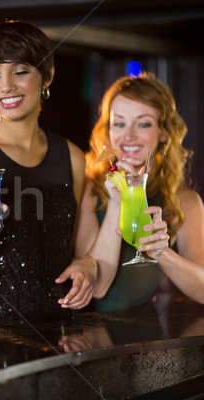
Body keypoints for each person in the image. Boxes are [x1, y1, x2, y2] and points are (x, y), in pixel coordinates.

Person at [0, 20, 96, 326]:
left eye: (20, 72)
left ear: (48, 75)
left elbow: (81, 251)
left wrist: (88, 264)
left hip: (61, 332)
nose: (5, 86)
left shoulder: (72, 156)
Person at [75, 72, 204, 311]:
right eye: (119, 123)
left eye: (143, 123)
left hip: (143, 333)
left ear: (164, 132)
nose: (129, 136)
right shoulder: (89, 188)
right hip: (89, 334)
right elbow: (96, 286)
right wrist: (117, 201)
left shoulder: (185, 201)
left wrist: (162, 253)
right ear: (108, 130)